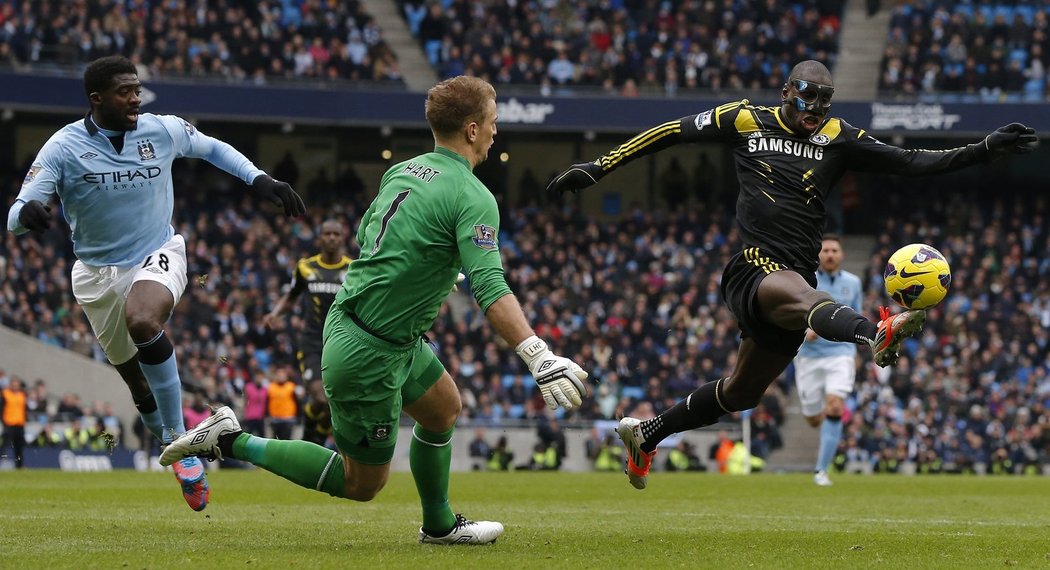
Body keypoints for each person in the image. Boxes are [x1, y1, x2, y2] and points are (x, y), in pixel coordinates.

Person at [546, 59, 1038, 490]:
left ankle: (647, 433)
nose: (816, 106)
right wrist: (600, 165)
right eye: (807, 94)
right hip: (754, 267)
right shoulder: (742, 118)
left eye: (824, 99)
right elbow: (671, 131)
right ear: (786, 91)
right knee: (807, 298)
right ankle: (875, 331)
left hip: (794, 278)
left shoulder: (839, 136)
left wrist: (983, 148)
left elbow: (911, 161)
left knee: (741, 392)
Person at [160, 76, 589, 544]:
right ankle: (229, 439)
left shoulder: (402, 171)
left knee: (443, 409)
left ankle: (439, 525)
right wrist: (537, 355)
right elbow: (488, 284)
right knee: (362, 483)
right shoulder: (474, 196)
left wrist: (422, 269)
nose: (495, 132)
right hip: (369, 350)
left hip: (383, 332)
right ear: (471, 129)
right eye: (492, 122)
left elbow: (368, 238)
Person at [5, 55, 306, 509]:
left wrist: (260, 179)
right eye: (125, 90)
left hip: (157, 252)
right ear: (96, 99)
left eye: (137, 88)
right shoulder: (63, 147)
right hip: (95, 275)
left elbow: (211, 147)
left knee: (144, 322)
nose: (135, 97)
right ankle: (168, 436)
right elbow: (19, 211)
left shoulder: (161, 129)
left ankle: (180, 440)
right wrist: (26, 215)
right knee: (137, 385)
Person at [263, 218, 351, 442]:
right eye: (327, 233)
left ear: (342, 238)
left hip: (341, 343)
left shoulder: (353, 269)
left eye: (336, 234)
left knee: (332, 403)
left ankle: (315, 441)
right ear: (320, 238)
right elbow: (291, 297)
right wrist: (275, 313)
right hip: (312, 342)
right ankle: (313, 438)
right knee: (322, 398)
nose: (332, 238)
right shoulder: (305, 267)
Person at [794, 235, 862, 487]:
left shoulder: (853, 283)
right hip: (808, 358)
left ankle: (821, 471)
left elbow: (856, 315)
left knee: (835, 407)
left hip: (840, 354)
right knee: (813, 418)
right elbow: (792, 315)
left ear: (841, 255)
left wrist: (858, 349)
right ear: (818, 255)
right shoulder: (805, 282)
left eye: (835, 250)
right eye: (826, 251)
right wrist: (805, 331)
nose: (830, 254)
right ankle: (824, 425)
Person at [1, 378, 28, 468]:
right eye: (13, 384)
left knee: (19, 447)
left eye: (17, 385)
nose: (15, 386)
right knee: (4, 445)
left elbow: (24, 409)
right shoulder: (5, 394)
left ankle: (19, 465)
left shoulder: (22, 395)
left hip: (19, 424)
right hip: (9, 423)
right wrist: (3, 421)